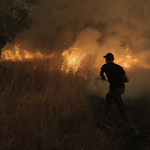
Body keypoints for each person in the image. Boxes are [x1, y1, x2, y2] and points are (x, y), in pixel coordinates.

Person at [100, 53, 139, 135]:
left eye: (106, 58)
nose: (105, 60)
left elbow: (101, 75)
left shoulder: (105, 66)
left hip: (116, 91)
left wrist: (103, 78)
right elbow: (127, 79)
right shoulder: (119, 67)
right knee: (108, 96)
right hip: (121, 88)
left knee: (122, 110)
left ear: (107, 59)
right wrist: (120, 81)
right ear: (113, 59)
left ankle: (134, 129)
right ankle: (103, 121)